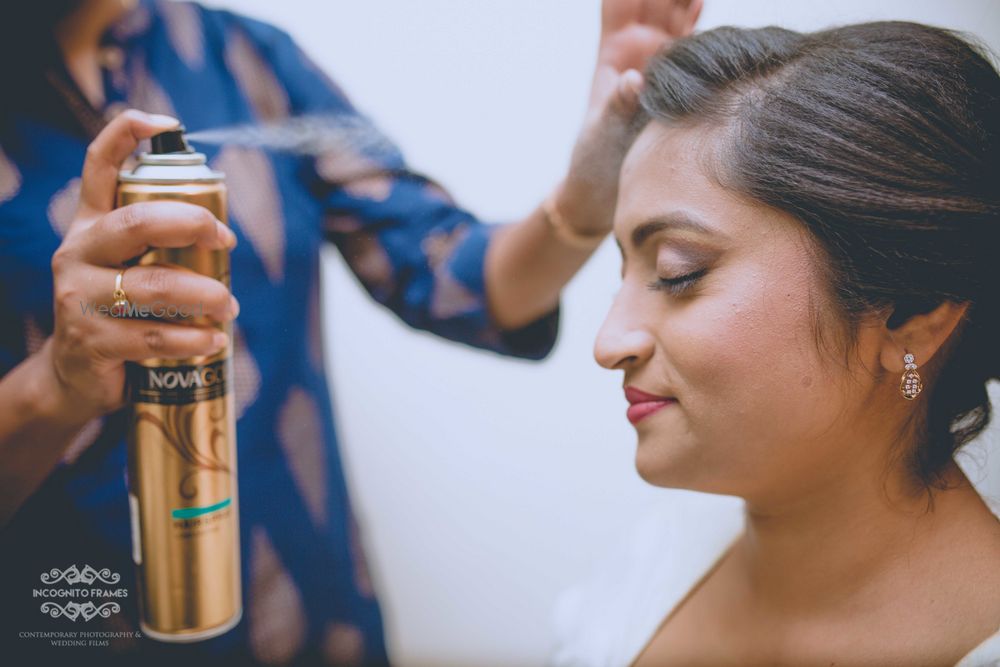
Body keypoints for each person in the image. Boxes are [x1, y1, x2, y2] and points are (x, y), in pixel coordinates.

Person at [0, 0, 702, 664]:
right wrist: (50, 386)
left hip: (316, 624)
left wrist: (586, 192)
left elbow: (449, 276)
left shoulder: (247, 59)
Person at [552, 21, 1000, 667]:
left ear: (912, 314)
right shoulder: (649, 567)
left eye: (678, 272)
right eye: (623, 270)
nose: (608, 341)